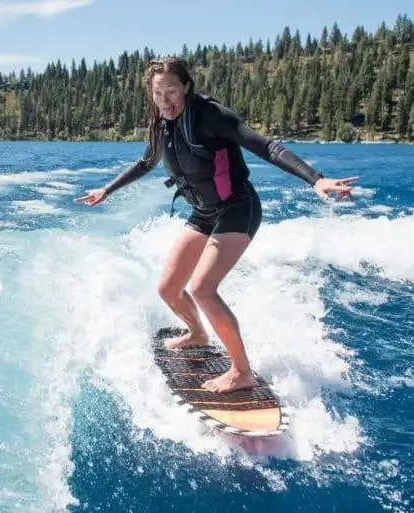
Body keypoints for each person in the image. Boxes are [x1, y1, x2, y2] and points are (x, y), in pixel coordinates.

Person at [74, 58, 358, 393]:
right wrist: (107, 189)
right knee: (168, 289)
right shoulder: (160, 122)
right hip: (203, 212)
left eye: (172, 91)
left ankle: (241, 371)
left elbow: (265, 146)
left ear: (186, 87)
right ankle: (197, 332)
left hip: (238, 207)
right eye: (158, 93)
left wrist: (316, 180)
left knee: (202, 288)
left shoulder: (210, 116)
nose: (165, 100)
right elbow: (146, 162)